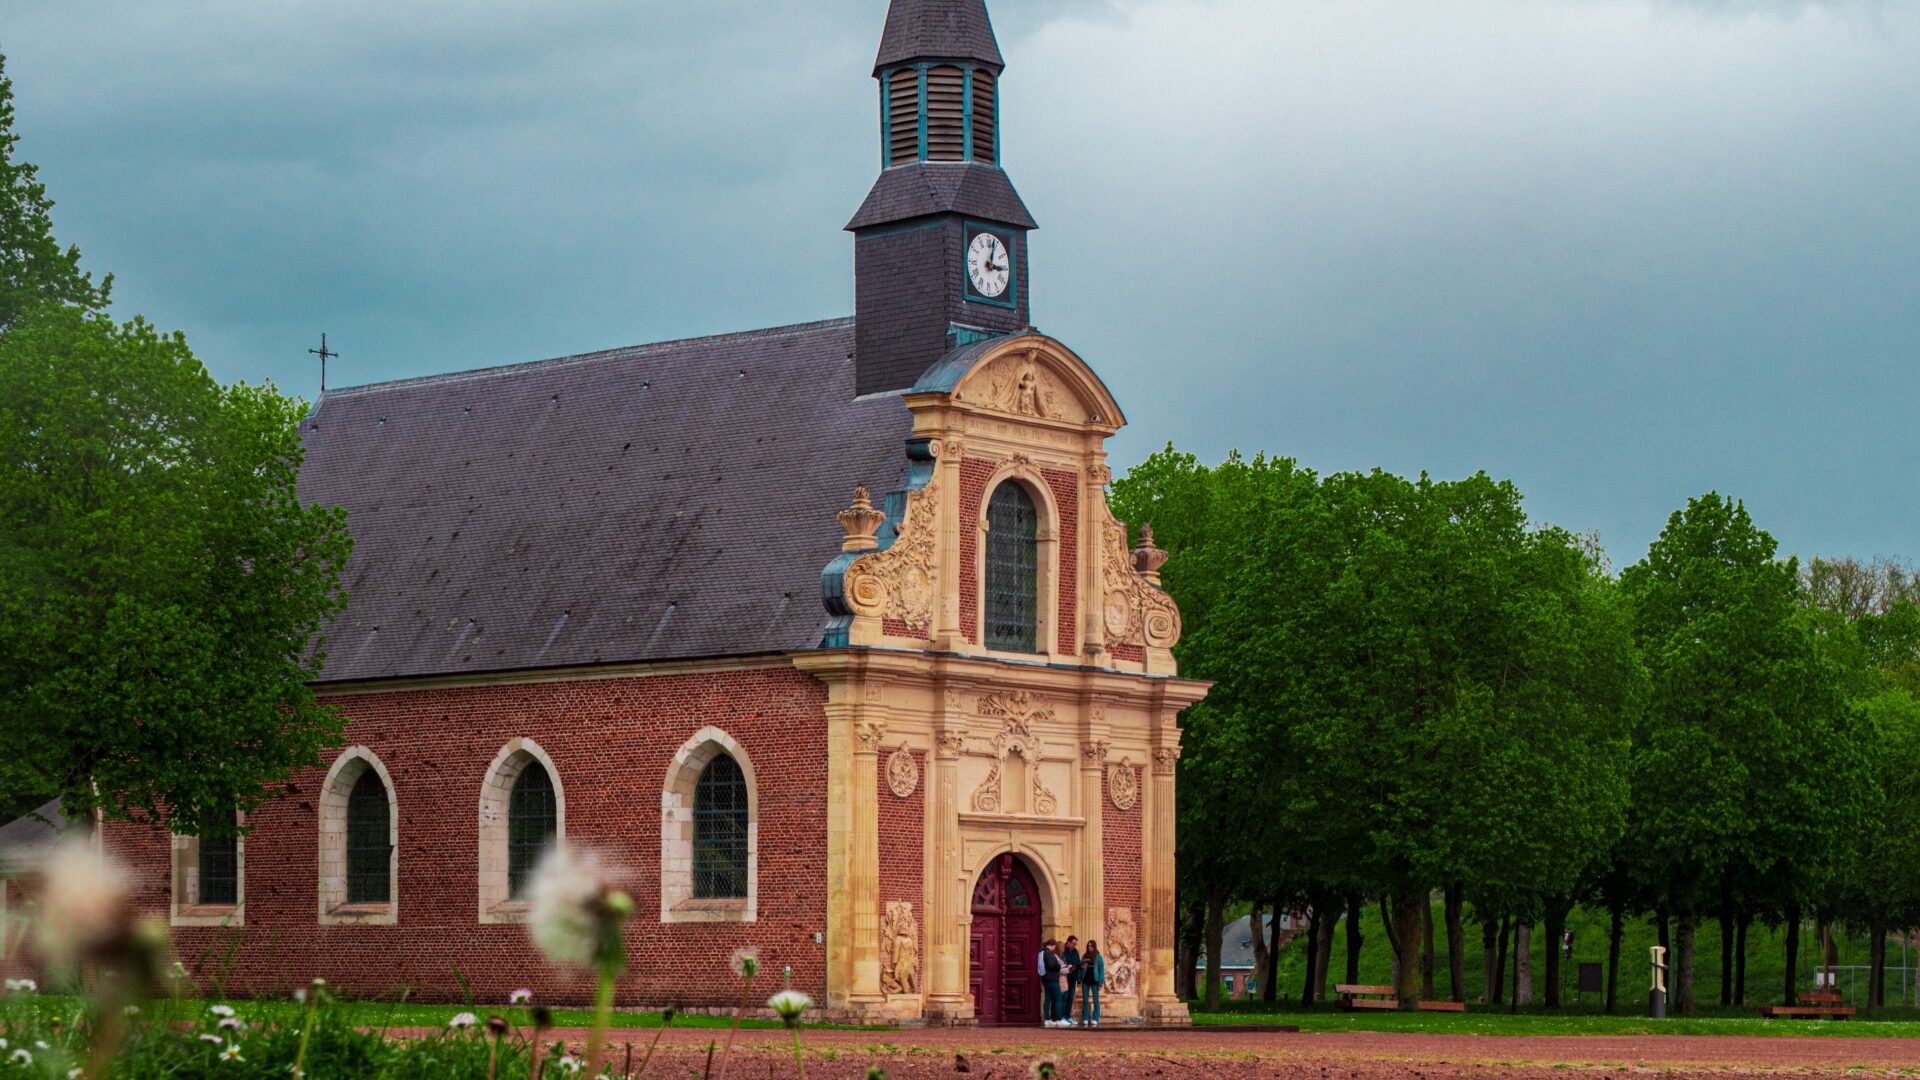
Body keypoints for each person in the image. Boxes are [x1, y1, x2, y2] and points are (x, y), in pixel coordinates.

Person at [1037, 938, 1065, 1026]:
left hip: (1045, 979)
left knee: (1047, 999)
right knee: (1058, 999)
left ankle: (1047, 1019)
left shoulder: (1042, 952)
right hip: (1052, 979)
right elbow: (1052, 965)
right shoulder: (1049, 954)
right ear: (1053, 945)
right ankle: (1058, 1019)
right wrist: (1059, 966)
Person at [1079, 939, 1105, 1027]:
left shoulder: (1098, 957)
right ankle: (1085, 1018)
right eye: (1088, 946)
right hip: (1085, 980)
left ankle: (1095, 1018)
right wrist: (1079, 978)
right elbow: (1080, 967)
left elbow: (1101, 970)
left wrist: (1101, 982)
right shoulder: (1084, 956)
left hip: (1095, 980)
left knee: (1096, 1000)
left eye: (1091, 946)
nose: (1089, 947)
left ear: (1094, 946)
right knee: (1085, 1000)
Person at [1060, 936, 1082, 1027]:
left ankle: (1068, 1016)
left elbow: (1078, 963)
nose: (1074, 945)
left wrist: (1079, 976)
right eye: (1073, 943)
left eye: (1075, 944)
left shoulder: (1075, 951)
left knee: (1070, 999)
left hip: (1073, 978)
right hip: (1065, 978)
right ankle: (1061, 1017)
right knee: (1064, 999)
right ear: (1068, 942)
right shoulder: (1062, 951)